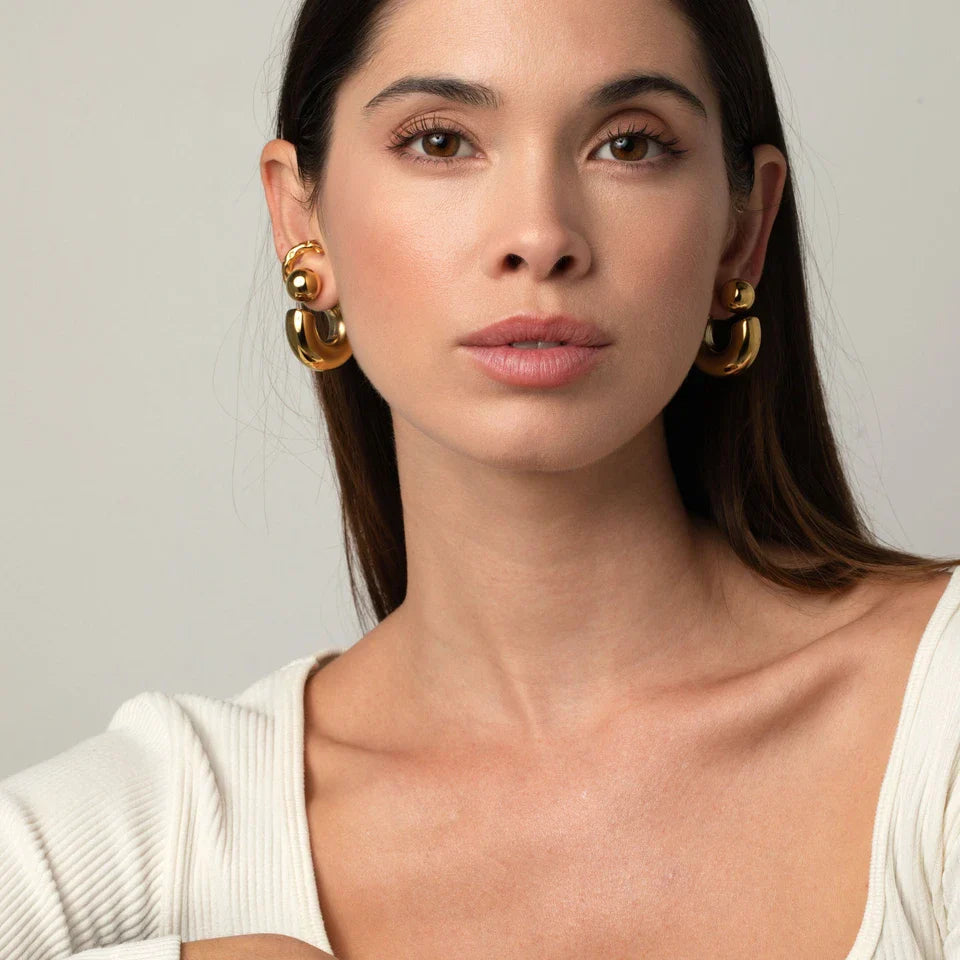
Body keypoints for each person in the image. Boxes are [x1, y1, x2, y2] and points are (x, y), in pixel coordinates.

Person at [3, 0, 960, 957]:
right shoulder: (180, 819)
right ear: (304, 222)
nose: (540, 235)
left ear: (741, 232)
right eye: (439, 140)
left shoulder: (937, 718)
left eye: (628, 145)